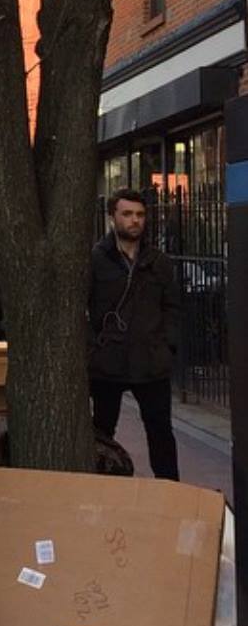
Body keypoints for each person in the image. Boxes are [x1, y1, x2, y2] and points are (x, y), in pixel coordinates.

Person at [88, 188, 182, 481]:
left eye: (140, 214)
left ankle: (169, 491)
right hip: (108, 362)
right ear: (113, 217)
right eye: (127, 214)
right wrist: (92, 349)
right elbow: (82, 307)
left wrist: (167, 346)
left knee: (160, 433)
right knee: (102, 432)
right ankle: (104, 490)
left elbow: (173, 306)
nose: (134, 220)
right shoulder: (95, 259)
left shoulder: (158, 262)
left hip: (151, 361)